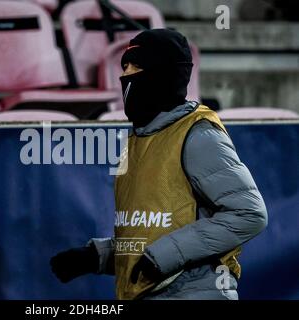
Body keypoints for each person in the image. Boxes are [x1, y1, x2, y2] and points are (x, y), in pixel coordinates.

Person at [50, 29, 268, 300]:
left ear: (164, 74)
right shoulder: (137, 141)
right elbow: (154, 230)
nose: (125, 75)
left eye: (136, 66)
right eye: (124, 66)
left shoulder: (198, 134)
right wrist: (98, 257)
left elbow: (248, 214)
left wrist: (164, 255)